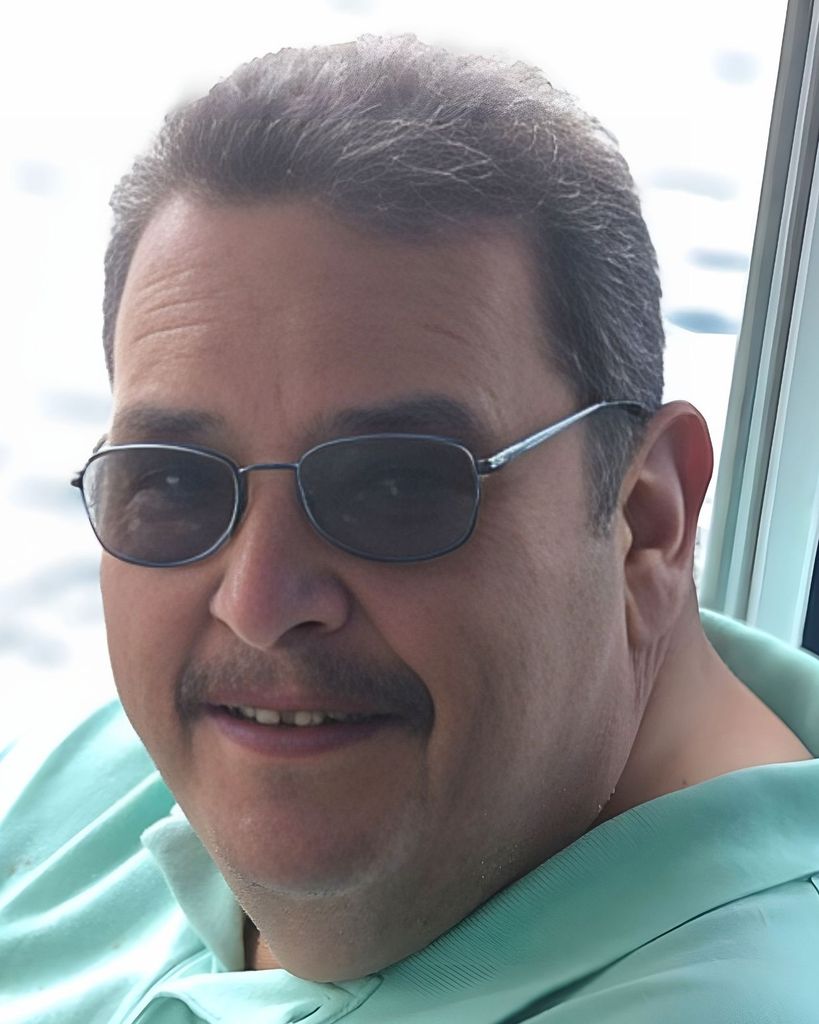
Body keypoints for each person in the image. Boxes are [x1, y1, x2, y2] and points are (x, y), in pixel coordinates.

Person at [2, 34, 818, 1024]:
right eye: (174, 482)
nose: (257, 604)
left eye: (393, 486)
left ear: (646, 520)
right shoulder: (120, 764)